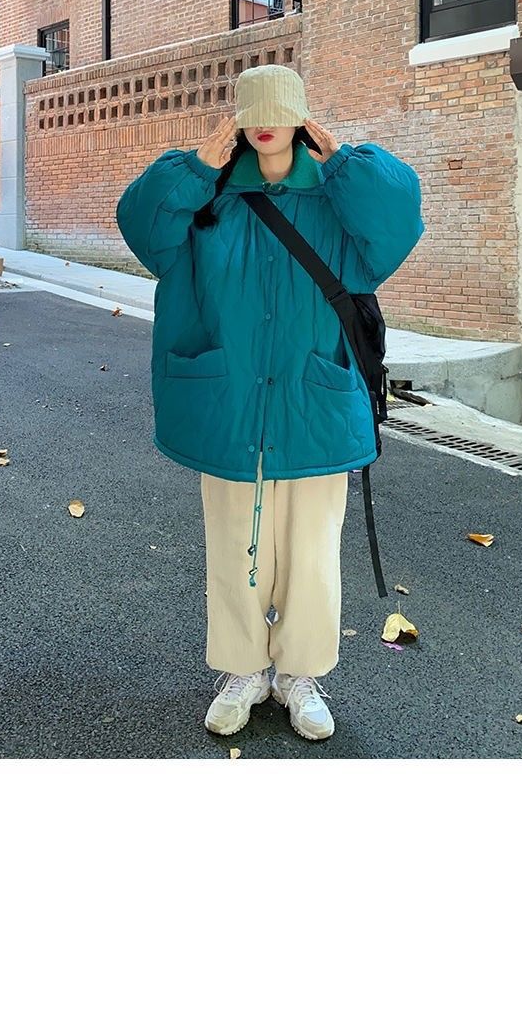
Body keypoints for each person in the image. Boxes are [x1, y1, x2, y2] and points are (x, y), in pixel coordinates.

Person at [115, 65, 424, 742]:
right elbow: (141, 226)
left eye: (282, 110)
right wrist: (197, 166)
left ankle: (300, 675)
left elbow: (399, 221)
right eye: (253, 110)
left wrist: (342, 158)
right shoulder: (210, 199)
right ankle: (243, 670)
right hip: (230, 399)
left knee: (311, 551)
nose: (266, 123)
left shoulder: (339, 198)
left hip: (314, 397)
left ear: (301, 118)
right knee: (234, 543)